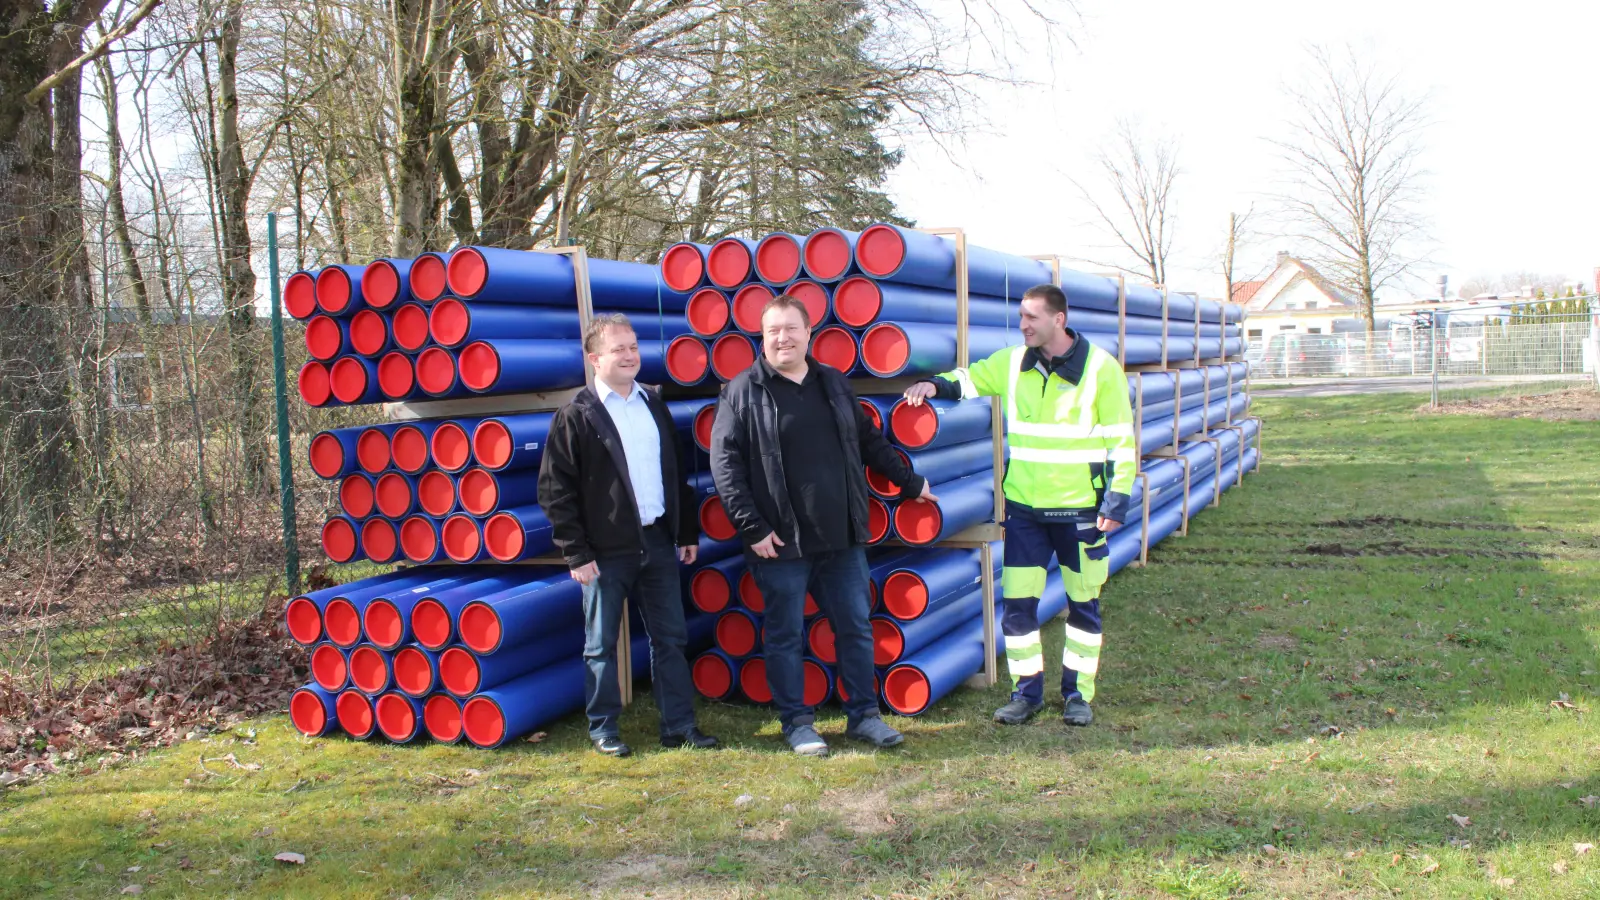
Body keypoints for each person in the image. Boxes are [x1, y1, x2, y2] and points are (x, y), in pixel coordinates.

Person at [710, 295, 938, 757]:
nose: (782, 338)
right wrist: (752, 528)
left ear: (808, 332)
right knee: (785, 634)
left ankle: (865, 718)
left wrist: (910, 483)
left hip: (841, 536)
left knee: (854, 627)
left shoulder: (832, 383)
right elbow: (725, 465)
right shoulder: (742, 391)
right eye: (773, 330)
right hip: (779, 541)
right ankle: (797, 724)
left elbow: (870, 442)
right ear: (762, 335)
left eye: (791, 328)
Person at [902, 284, 1135, 727]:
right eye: (1021, 317)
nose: (1022, 324)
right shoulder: (1012, 363)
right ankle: (1025, 694)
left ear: (1058, 319)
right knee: (1019, 609)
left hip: (1082, 511)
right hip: (1026, 511)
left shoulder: (1102, 369)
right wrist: (933, 385)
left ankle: (1077, 696)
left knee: (1083, 606)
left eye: (1031, 317)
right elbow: (969, 380)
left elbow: (1122, 442)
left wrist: (1117, 499)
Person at [538, 313, 717, 757]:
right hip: (603, 551)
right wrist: (576, 552)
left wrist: (685, 530)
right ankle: (604, 728)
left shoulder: (653, 402)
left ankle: (678, 726)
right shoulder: (576, 415)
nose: (630, 355)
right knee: (601, 645)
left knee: (671, 639)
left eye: (634, 347)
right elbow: (554, 490)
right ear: (595, 358)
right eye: (619, 349)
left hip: (657, 540)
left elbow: (673, 473)